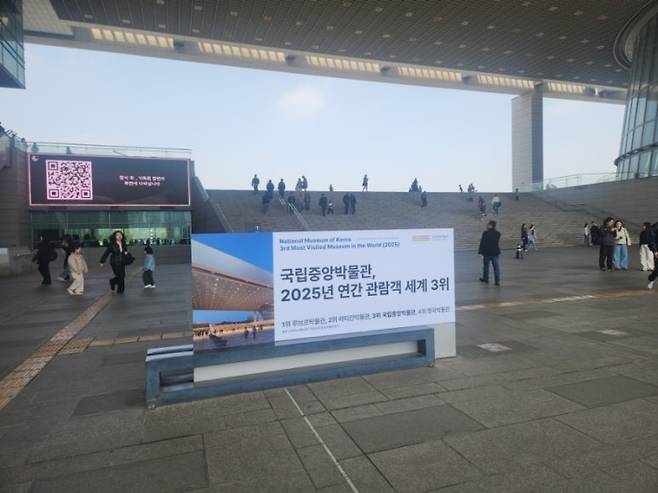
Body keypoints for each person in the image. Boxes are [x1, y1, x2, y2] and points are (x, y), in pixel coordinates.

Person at [478, 220, 501, 286]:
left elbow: (482, 243)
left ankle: (486, 279)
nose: (487, 225)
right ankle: (497, 281)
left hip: (487, 252)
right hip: (495, 252)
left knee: (486, 266)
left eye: (488, 224)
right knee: (496, 267)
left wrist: (480, 251)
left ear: (491, 225)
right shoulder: (498, 233)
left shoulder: (485, 233)